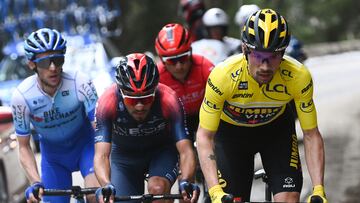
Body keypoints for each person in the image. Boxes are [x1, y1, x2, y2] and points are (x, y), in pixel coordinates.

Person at [196, 9, 327, 203]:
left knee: (289, 198)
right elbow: (204, 136)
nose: (265, 66)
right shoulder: (222, 76)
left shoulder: (298, 76)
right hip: (231, 137)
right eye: (258, 56)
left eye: (274, 57)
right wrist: (215, 191)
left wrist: (318, 189)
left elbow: (311, 134)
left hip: (276, 133)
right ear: (244, 49)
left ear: (283, 54)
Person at [93, 53, 199, 203]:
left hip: (161, 152)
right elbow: (101, 155)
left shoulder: (169, 99)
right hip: (125, 158)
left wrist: (186, 180)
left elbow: (186, 150)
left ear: (155, 89)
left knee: (158, 190)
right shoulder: (107, 102)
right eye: (132, 99)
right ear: (121, 92)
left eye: (147, 97)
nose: (140, 106)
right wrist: (105, 184)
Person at [10, 28, 100, 203]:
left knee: (94, 196)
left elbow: (100, 128)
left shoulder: (80, 82)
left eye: (58, 60)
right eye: (45, 63)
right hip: (54, 158)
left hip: (86, 148)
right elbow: (23, 146)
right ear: (31, 64)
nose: (53, 68)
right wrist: (35, 181)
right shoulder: (21, 96)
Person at [154, 23, 214, 141]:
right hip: (175, 120)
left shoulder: (204, 66)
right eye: (171, 61)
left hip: (205, 115)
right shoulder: (157, 77)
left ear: (190, 52)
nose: (178, 66)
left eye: (183, 58)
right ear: (162, 60)